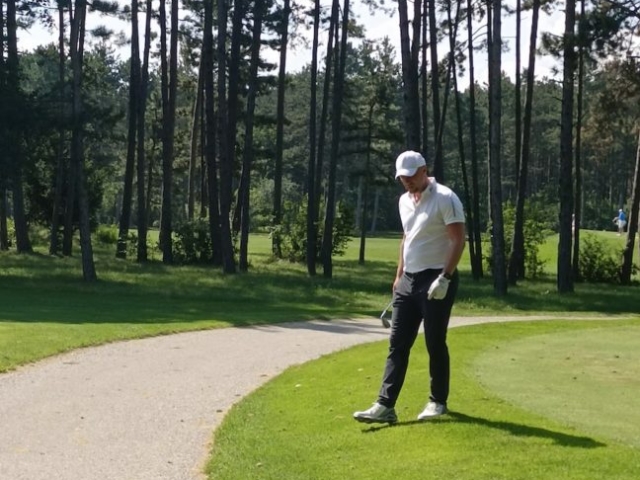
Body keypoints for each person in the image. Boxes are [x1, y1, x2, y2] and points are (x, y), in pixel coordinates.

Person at [353, 150, 466, 424]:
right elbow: (407, 238)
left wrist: (445, 277)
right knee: (397, 344)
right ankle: (385, 405)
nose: (407, 182)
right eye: (402, 178)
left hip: (437, 278)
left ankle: (437, 401)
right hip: (409, 280)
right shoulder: (404, 201)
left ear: (424, 170)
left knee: (434, 341)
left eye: (411, 176)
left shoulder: (445, 198)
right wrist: (399, 276)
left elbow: (458, 239)